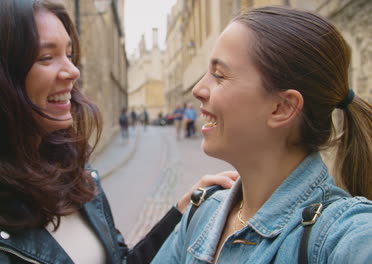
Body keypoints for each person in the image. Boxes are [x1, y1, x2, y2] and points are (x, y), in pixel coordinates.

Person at [0, 1, 239, 263]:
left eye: (70, 53)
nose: (73, 71)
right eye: (47, 57)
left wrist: (181, 212)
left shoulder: (77, 174)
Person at [152, 6, 372, 263]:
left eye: (219, 76)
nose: (198, 89)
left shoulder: (341, 235)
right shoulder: (200, 214)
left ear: (282, 108)